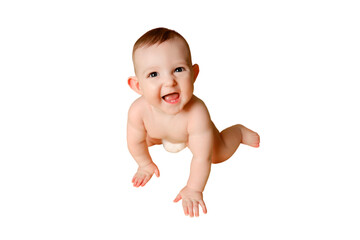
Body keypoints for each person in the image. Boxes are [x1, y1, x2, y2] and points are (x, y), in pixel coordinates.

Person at [127, 27, 260, 217]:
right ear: (138, 86)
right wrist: (144, 163)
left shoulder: (197, 113)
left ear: (194, 74)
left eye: (178, 70)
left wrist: (194, 188)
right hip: (157, 134)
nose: (169, 82)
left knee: (217, 155)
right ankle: (158, 143)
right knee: (143, 140)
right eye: (154, 74)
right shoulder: (138, 111)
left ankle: (237, 132)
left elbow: (201, 157)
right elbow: (134, 142)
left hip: (191, 136)